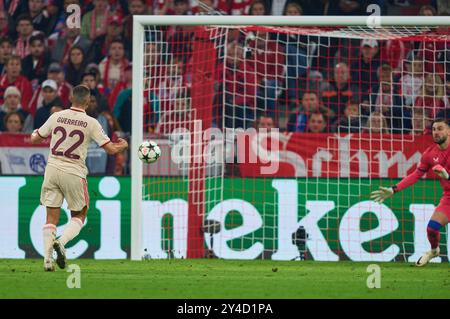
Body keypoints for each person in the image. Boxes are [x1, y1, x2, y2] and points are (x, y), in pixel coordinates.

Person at [30, 85, 128, 271]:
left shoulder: (56, 116)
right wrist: (122, 146)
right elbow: (111, 149)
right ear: (88, 101)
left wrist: (34, 132)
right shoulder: (91, 122)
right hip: (74, 171)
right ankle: (62, 241)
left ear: (70, 98)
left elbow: (36, 138)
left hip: (52, 169)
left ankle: (47, 261)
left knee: (51, 217)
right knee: (79, 215)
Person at [371, 118, 450, 266]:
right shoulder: (429, 154)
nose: (436, 132)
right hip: (449, 197)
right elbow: (416, 175)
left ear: (449, 131)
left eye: (440, 129)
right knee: (432, 228)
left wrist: (448, 176)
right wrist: (393, 189)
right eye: (433, 129)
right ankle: (434, 251)